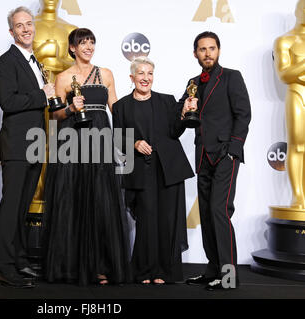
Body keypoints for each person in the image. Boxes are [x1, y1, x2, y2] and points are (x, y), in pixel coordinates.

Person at [43, 28, 131, 286]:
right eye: (83, 43)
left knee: (101, 201)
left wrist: (136, 124)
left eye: (92, 42)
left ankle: (102, 266)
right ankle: (73, 267)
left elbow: (115, 108)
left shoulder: (105, 74)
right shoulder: (62, 78)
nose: (89, 47)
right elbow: (55, 116)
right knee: (73, 200)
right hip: (72, 141)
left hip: (101, 141)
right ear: (72, 48)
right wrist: (71, 107)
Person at [113, 56, 194, 285]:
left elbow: (175, 131)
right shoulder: (121, 106)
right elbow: (117, 137)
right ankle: (144, 271)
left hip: (168, 170)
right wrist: (135, 143)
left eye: (149, 73)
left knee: (167, 221)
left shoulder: (167, 101)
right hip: (141, 171)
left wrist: (184, 114)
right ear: (132, 77)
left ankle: (164, 272)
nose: (145, 78)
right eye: (141, 73)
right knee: (146, 221)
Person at [181, 31, 251, 290]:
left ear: (218, 51)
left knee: (219, 212)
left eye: (212, 48)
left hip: (225, 154)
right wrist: (184, 109)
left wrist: (234, 148)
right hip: (203, 157)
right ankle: (213, 270)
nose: (207, 53)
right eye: (202, 49)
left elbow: (244, 114)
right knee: (207, 215)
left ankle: (229, 275)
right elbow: (182, 116)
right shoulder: (193, 82)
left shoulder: (232, 77)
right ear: (195, 53)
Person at [0, 6, 55, 288]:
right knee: (11, 206)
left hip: (33, 145)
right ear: (11, 31)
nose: (26, 29)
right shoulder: (7, 62)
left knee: (22, 206)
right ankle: (4, 266)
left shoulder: (35, 61)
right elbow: (8, 102)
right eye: (20, 26)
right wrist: (41, 94)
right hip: (17, 144)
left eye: (29, 24)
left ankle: (18, 258)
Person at [274, 0, 305, 209]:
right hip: (297, 94)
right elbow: (285, 74)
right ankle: (298, 196)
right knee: (298, 146)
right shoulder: (285, 41)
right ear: (298, 11)